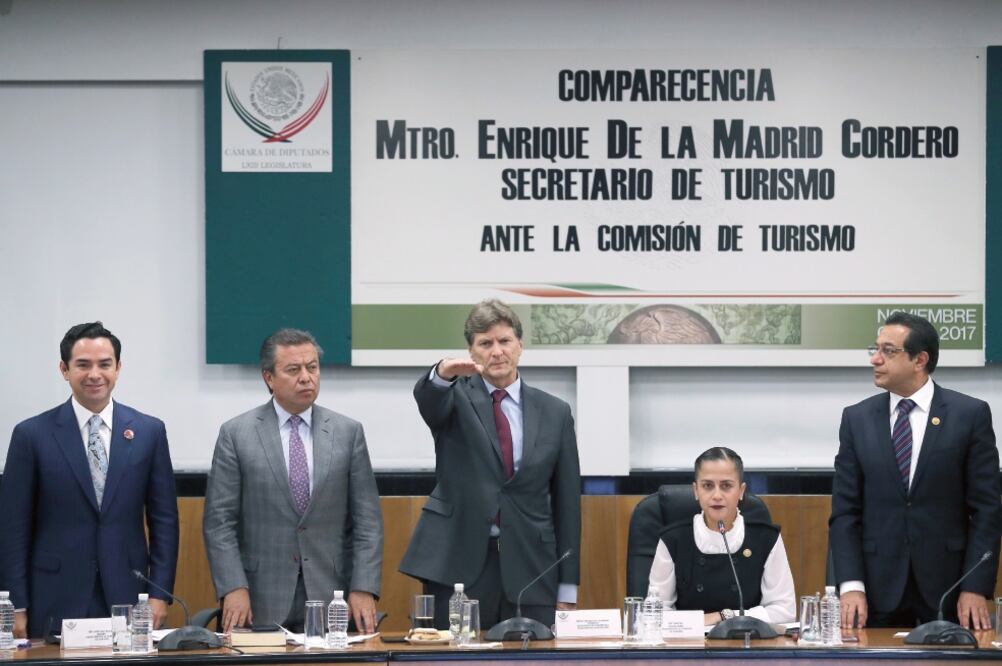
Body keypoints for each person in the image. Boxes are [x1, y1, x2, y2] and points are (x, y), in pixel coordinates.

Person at [399, 299, 581, 630]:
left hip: (532, 565)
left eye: (504, 341)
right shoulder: (454, 397)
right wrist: (442, 373)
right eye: (485, 343)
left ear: (520, 346)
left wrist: (567, 584)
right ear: (472, 352)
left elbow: (567, 503)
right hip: (459, 561)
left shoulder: (555, 412)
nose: (496, 351)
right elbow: (428, 397)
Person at [0, 322, 179, 638]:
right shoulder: (31, 435)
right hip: (54, 594)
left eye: (104, 364)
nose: (94, 374)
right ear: (64, 369)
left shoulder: (149, 432)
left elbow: (164, 520)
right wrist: (16, 605)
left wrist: (159, 594)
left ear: (118, 368)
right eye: (83, 364)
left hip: (127, 592)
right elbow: (12, 527)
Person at [203, 328, 383, 634]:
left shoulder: (347, 432)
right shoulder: (237, 434)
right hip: (258, 596)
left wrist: (363, 587)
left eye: (312, 367)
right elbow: (219, 522)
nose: (306, 377)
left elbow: (367, 522)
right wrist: (233, 586)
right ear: (269, 378)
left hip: (333, 596)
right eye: (293, 370)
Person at [830, 312, 1001, 630]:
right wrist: (851, 585)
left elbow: (987, 511)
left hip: (950, 591)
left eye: (888, 351)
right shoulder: (857, 419)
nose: (875, 359)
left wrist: (975, 586)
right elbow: (844, 513)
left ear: (920, 359)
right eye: (875, 348)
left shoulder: (970, 415)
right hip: (875, 593)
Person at [648, 447, 796, 625]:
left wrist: (724, 616)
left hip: (748, 644)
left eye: (726, 486)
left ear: (741, 491)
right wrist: (699, 622)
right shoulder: (672, 540)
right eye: (707, 486)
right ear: (696, 490)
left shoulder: (766, 538)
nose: (717, 495)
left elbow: (784, 610)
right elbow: (655, 614)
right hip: (689, 646)